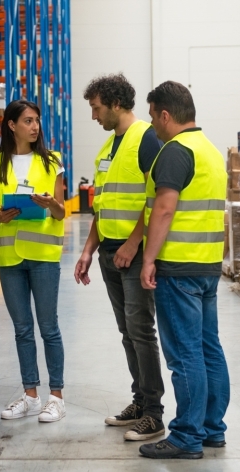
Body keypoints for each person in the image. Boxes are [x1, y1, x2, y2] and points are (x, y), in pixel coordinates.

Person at [139, 81, 230, 459]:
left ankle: (187, 436)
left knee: (184, 354)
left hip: (178, 268)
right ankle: (212, 429)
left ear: (165, 114)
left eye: (153, 117)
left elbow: (163, 209)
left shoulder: (175, 151)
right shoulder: (208, 149)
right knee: (209, 348)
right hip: (207, 265)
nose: (152, 126)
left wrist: (148, 259)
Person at [74, 74, 165, 441]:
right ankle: (140, 401)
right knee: (127, 333)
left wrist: (133, 244)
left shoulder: (146, 139)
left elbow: (157, 200)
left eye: (96, 108)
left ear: (114, 103)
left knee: (141, 332)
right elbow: (102, 206)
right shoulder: (108, 147)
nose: (93, 116)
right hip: (109, 253)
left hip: (134, 252)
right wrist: (87, 249)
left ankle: (155, 414)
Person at [0, 99, 66, 423]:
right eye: (28, 121)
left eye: (37, 121)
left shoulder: (52, 162)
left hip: (44, 255)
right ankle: (30, 395)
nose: (35, 127)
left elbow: (61, 212)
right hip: (9, 258)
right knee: (22, 329)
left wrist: (50, 203)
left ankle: (56, 396)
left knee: (49, 328)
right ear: (12, 125)